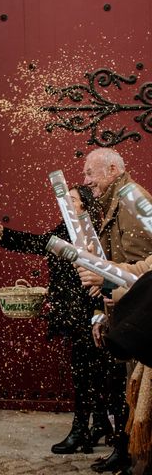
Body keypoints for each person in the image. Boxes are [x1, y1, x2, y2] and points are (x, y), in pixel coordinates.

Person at [0, 185, 112, 455]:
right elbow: (39, 243)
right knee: (88, 370)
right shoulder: (64, 228)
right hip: (72, 312)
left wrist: (96, 312)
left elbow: (101, 270)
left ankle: (81, 432)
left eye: (73, 200)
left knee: (87, 372)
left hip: (89, 311)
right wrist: (4, 235)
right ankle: (100, 423)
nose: (67, 203)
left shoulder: (91, 233)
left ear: (85, 206)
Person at [78, 147, 152, 473]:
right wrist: (102, 304)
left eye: (90, 173)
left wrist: (108, 276)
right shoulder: (114, 201)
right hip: (128, 313)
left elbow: (144, 269)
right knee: (129, 393)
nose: (86, 181)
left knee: (142, 396)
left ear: (111, 169)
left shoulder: (134, 199)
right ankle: (130, 457)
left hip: (143, 318)